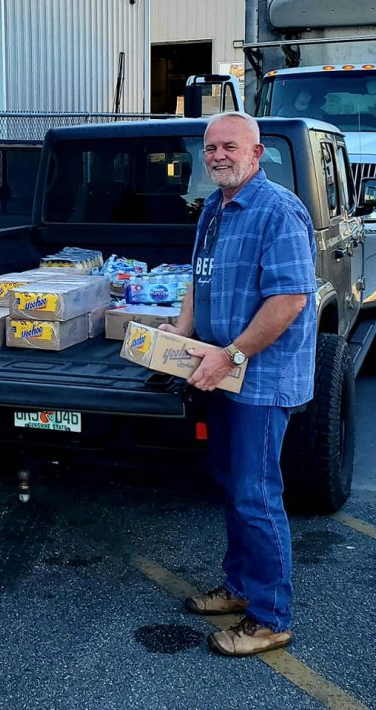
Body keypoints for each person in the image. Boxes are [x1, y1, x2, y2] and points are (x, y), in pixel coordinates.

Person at [159, 112, 316, 656]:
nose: (218, 155)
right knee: (231, 483)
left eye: (230, 146)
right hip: (218, 371)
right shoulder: (213, 208)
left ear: (256, 153)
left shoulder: (278, 211)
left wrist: (229, 356)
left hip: (258, 379)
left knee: (256, 496)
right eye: (210, 147)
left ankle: (271, 617)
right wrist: (180, 328)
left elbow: (290, 299)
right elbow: (198, 278)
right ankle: (240, 586)